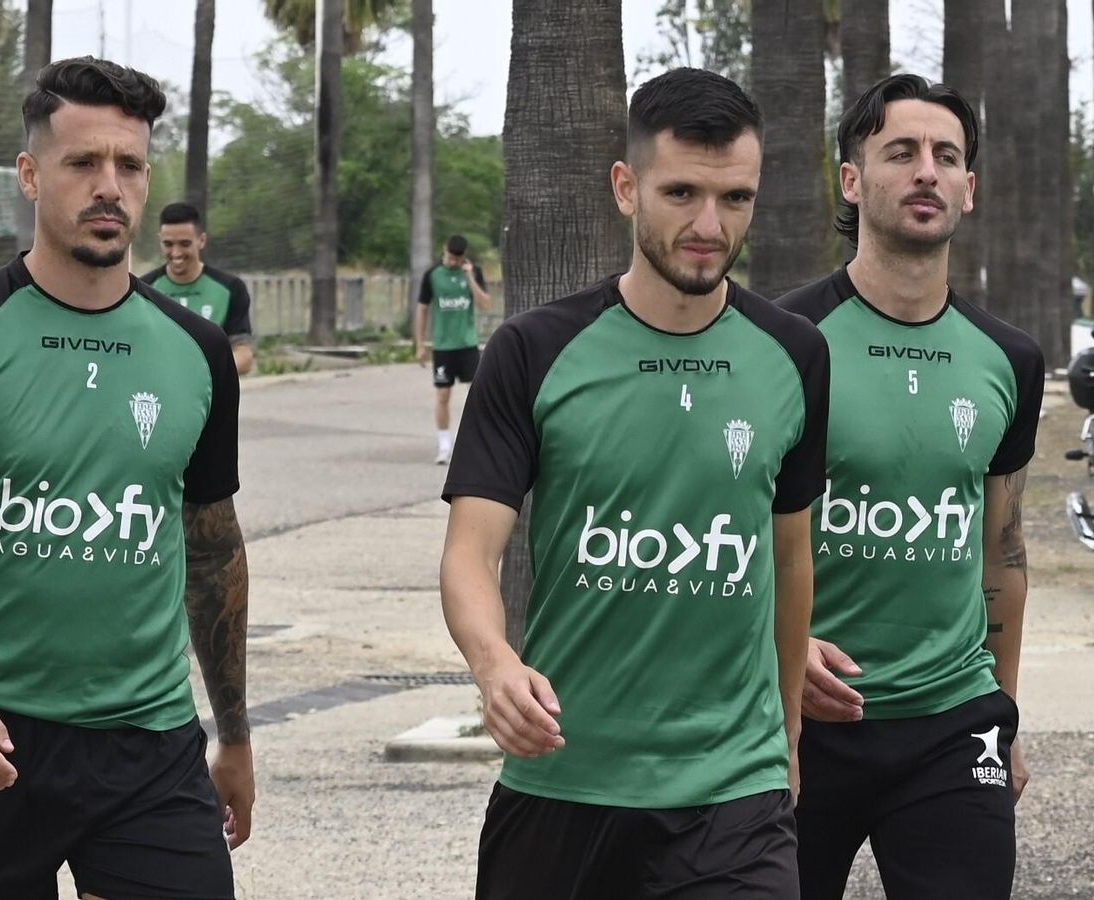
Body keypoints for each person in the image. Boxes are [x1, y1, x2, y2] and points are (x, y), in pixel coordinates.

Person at [0, 57, 253, 899]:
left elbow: (212, 555)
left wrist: (235, 734)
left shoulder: (198, 352)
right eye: (83, 163)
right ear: (31, 175)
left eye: (129, 165)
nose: (110, 187)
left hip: (149, 745)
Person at [439, 67, 828, 899]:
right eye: (681, 192)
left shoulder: (795, 353)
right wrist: (494, 664)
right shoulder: (534, 350)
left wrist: (788, 732)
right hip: (562, 784)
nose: (708, 225)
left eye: (736, 199)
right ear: (627, 186)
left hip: (734, 797)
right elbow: (471, 554)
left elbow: (791, 560)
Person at [776, 74, 1042, 900]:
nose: (927, 170)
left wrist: (1005, 715)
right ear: (852, 181)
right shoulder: (780, 343)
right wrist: (776, 650)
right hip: (798, 719)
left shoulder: (1011, 360)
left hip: (952, 727)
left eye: (946, 155)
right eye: (902, 152)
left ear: (970, 186)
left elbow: (1004, 552)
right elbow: (726, 534)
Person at [140, 202, 255, 375]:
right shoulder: (143, 290)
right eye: (168, 244)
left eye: (185, 244)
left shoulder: (230, 288)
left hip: (210, 393)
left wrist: (203, 372)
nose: (176, 252)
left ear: (201, 241)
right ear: (160, 240)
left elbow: (244, 355)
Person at [415, 234, 492, 463]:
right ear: (444, 251)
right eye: (450, 257)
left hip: (467, 343)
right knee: (443, 394)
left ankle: (475, 444)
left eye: (457, 259)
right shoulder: (432, 275)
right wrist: (420, 343)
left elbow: (485, 304)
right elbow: (422, 309)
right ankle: (444, 445)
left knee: (477, 394)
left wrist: (469, 277)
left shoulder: (472, 271)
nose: (453, 262)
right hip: (443, 345)